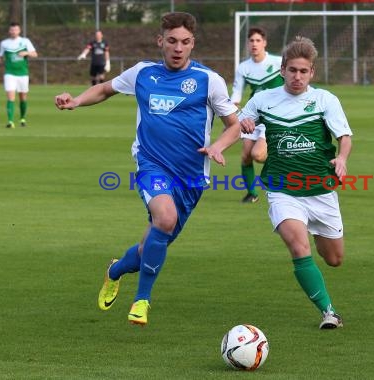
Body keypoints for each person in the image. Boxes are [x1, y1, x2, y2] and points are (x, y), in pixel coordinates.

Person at [55, 12, 241, 327]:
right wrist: (76, 101)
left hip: (192, 177)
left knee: (149, 248)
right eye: (172, 41)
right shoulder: (143, 73)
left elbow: (234, 126)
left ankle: (115, 270)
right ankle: (142, 301)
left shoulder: (210, 81)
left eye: (184, 42)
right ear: (161, 41)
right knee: (164, 218)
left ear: (192, 43)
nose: (178, 48)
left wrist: (218, 146)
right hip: (151, 164)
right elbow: (104, 89)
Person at [239, 36, 353, 329]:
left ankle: (315, 231)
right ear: (283, 70)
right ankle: (329, 312)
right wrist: (244, 125)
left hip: (320, 191)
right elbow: (237, 123)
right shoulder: (263, 99)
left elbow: (344, 137)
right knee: (298, 247)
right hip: (282, 190)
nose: (297, 77)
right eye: (292, 70)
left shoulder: (325, 99)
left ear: (312, 72)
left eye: (303, 71)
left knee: (334, 259)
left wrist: (341, 159)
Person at [231, 26, 284, 203]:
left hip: (275, 117)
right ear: (248, 44)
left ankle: (282, 160)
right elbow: (236, 96)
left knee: (258, 155)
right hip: (255, 115)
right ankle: (251, 193)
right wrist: (228, 112)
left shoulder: (278, 62)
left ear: (265, 43)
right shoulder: (244, 67)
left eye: (258, 40)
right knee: (246, 155)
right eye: (251, 41)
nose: (254, 44)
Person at [0, 22, 38, 128]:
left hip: (23, 74)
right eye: (12, 30)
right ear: (9, 31)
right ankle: (10, 121)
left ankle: (22, 119)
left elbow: (35, 54)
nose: (13, 31)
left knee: (23, 98)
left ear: (19, 31)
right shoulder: (4, 43)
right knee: (11, 97)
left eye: (15, 29)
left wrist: (26, 53)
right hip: (10, 74)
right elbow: (0, 57)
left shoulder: (25, 41)